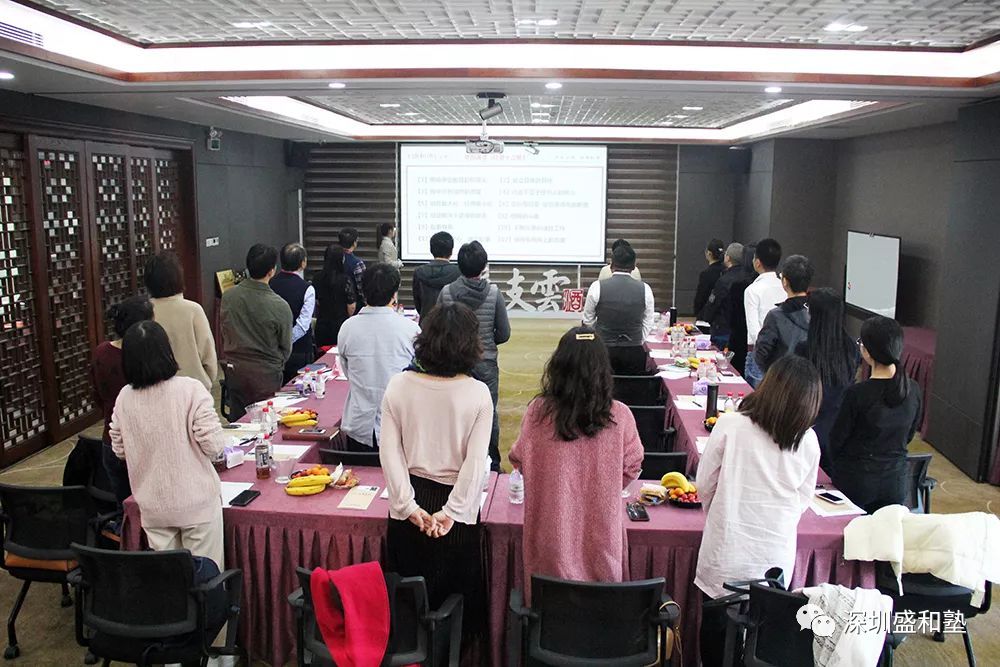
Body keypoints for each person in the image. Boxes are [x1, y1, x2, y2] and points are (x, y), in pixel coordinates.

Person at [695, 355, 822, 667]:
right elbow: (803, 499)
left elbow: (704, 485)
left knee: (716, 635)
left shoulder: (731, 424)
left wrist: (721, 513)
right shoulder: (808, 440)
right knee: (763, 642)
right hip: (774, 560)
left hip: (726, 551)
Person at [379, 302, 492, 645]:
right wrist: (452, 512)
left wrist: (408, 507)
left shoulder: (399, 385)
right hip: (454, 509)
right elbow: (475, 463)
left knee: (408, 605)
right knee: (454, 612)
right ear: (470, 345)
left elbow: (390, 454)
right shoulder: (477, 393)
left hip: (411, 504)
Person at [509, 326, 643, 599]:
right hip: (602, 544)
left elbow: (518, 459)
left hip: (550, 547)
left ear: (558, 366)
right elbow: (632, 465)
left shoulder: (538, 413)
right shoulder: (620, 416)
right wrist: (605, 485)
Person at [110, 321, 228, 570]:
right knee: (206, 577)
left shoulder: (124, 397)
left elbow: (119, 449)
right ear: (167, 352)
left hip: (153, 505)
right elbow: (214, 446)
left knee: (170, 580)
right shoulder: (190, 389)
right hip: (197, 504)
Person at [829, 317, 922, 514]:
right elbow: (909, 435)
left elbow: (836, 440)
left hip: (856, 480)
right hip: (896, 481)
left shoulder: (857, 394)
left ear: (867, 351)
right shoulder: (913, 389)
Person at [438, 241, 510, 469]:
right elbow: (504, 333)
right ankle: (492, 463)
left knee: (453, 411)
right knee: (488, 413)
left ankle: (454, 460)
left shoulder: (446, 293)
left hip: (454, 363)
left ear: (459, 265)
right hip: (485, 362)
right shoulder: (494, 293)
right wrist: (487, 341)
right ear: (484, 265)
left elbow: (437, 330)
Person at [338, 263, 420, 450]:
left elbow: (347, 371)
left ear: (363, 292)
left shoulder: (348, 328)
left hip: (359, 425)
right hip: (399, 426)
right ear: (394, 294)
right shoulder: (411, 330)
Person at [89, 296, 154, 502]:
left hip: (111, 439)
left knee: (124, 507)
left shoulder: (101, 352)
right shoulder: (146, 356)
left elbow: (97, 395)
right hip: (144, 443)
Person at [220, 244, 292, 419]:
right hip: (266, 373)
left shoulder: (228, 297)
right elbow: (286, 347)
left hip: (236, 370)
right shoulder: (279, 305)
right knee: (266, 420)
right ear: (272, 271)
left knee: (239, 420)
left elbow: (225, 330)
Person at [795, 288, 860, 472]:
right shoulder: (851, 347)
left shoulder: (803, 349)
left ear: (814, 314)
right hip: (839, 428)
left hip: (808, 427)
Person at [144, 252, 217, 391]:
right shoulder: (193, 310)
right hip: (195, 389)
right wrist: (207, 380)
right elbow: (209, 357)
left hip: (156, 390)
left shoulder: (144, 312)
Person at [582, 243, 654, 375]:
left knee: (602, 384)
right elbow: (648, 321)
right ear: (634, 266)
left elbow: (588, 321)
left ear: (611, 265)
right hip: (634, 351)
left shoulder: (596, 287)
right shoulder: (645, 289)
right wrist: (637, 339)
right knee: (631, 384)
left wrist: (598, 339)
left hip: (603, 349)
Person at [753, 254, 813, 375]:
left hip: (781, 378)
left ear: (784, 282)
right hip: (811, 379)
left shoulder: (776, 316)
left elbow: (761, 353)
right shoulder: (819, 312)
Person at [743, 238, 787, 387]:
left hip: (759, 353)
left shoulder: (752, 290)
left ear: (757, 263)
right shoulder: (785, 286)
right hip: (782, 352)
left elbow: (754, 330)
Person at [270, 243, 316, 384]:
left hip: (272, 348)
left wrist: (278, 342)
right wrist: (287, 341)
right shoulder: (307, 289)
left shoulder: (270, 284)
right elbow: (303, 325)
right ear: (303, 263)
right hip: (299, 350)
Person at [700, 242, 746, 350]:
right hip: (742, 331)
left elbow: (713, 303)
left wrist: (706, 317)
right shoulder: (748, 278)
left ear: (728, 258)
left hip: (722, 329)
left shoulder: (724, 280)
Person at [312, 244, 357, 347]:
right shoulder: (345, 280)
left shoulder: (317, 278)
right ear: (341, 260)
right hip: (341, 324)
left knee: (322, 354)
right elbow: (351, 306)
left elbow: (316, 301)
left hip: (322, 324)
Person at [412, 231, 461, 320]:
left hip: (426, 322)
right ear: (451, 251)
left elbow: (418, 303)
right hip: (451, 324)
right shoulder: (458, 273)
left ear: (431, 250)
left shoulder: (419, 272)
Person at [694, 238, 726, 317]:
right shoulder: (727, 271)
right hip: (723, 314)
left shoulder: (706, 274)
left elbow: (700, 298)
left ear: (709, 253)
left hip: (707, 315)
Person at [339, 227, 366, 308]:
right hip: (353, 306)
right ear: (354, 243)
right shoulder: (357, 264)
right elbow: (362, 288)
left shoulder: (331, 259)